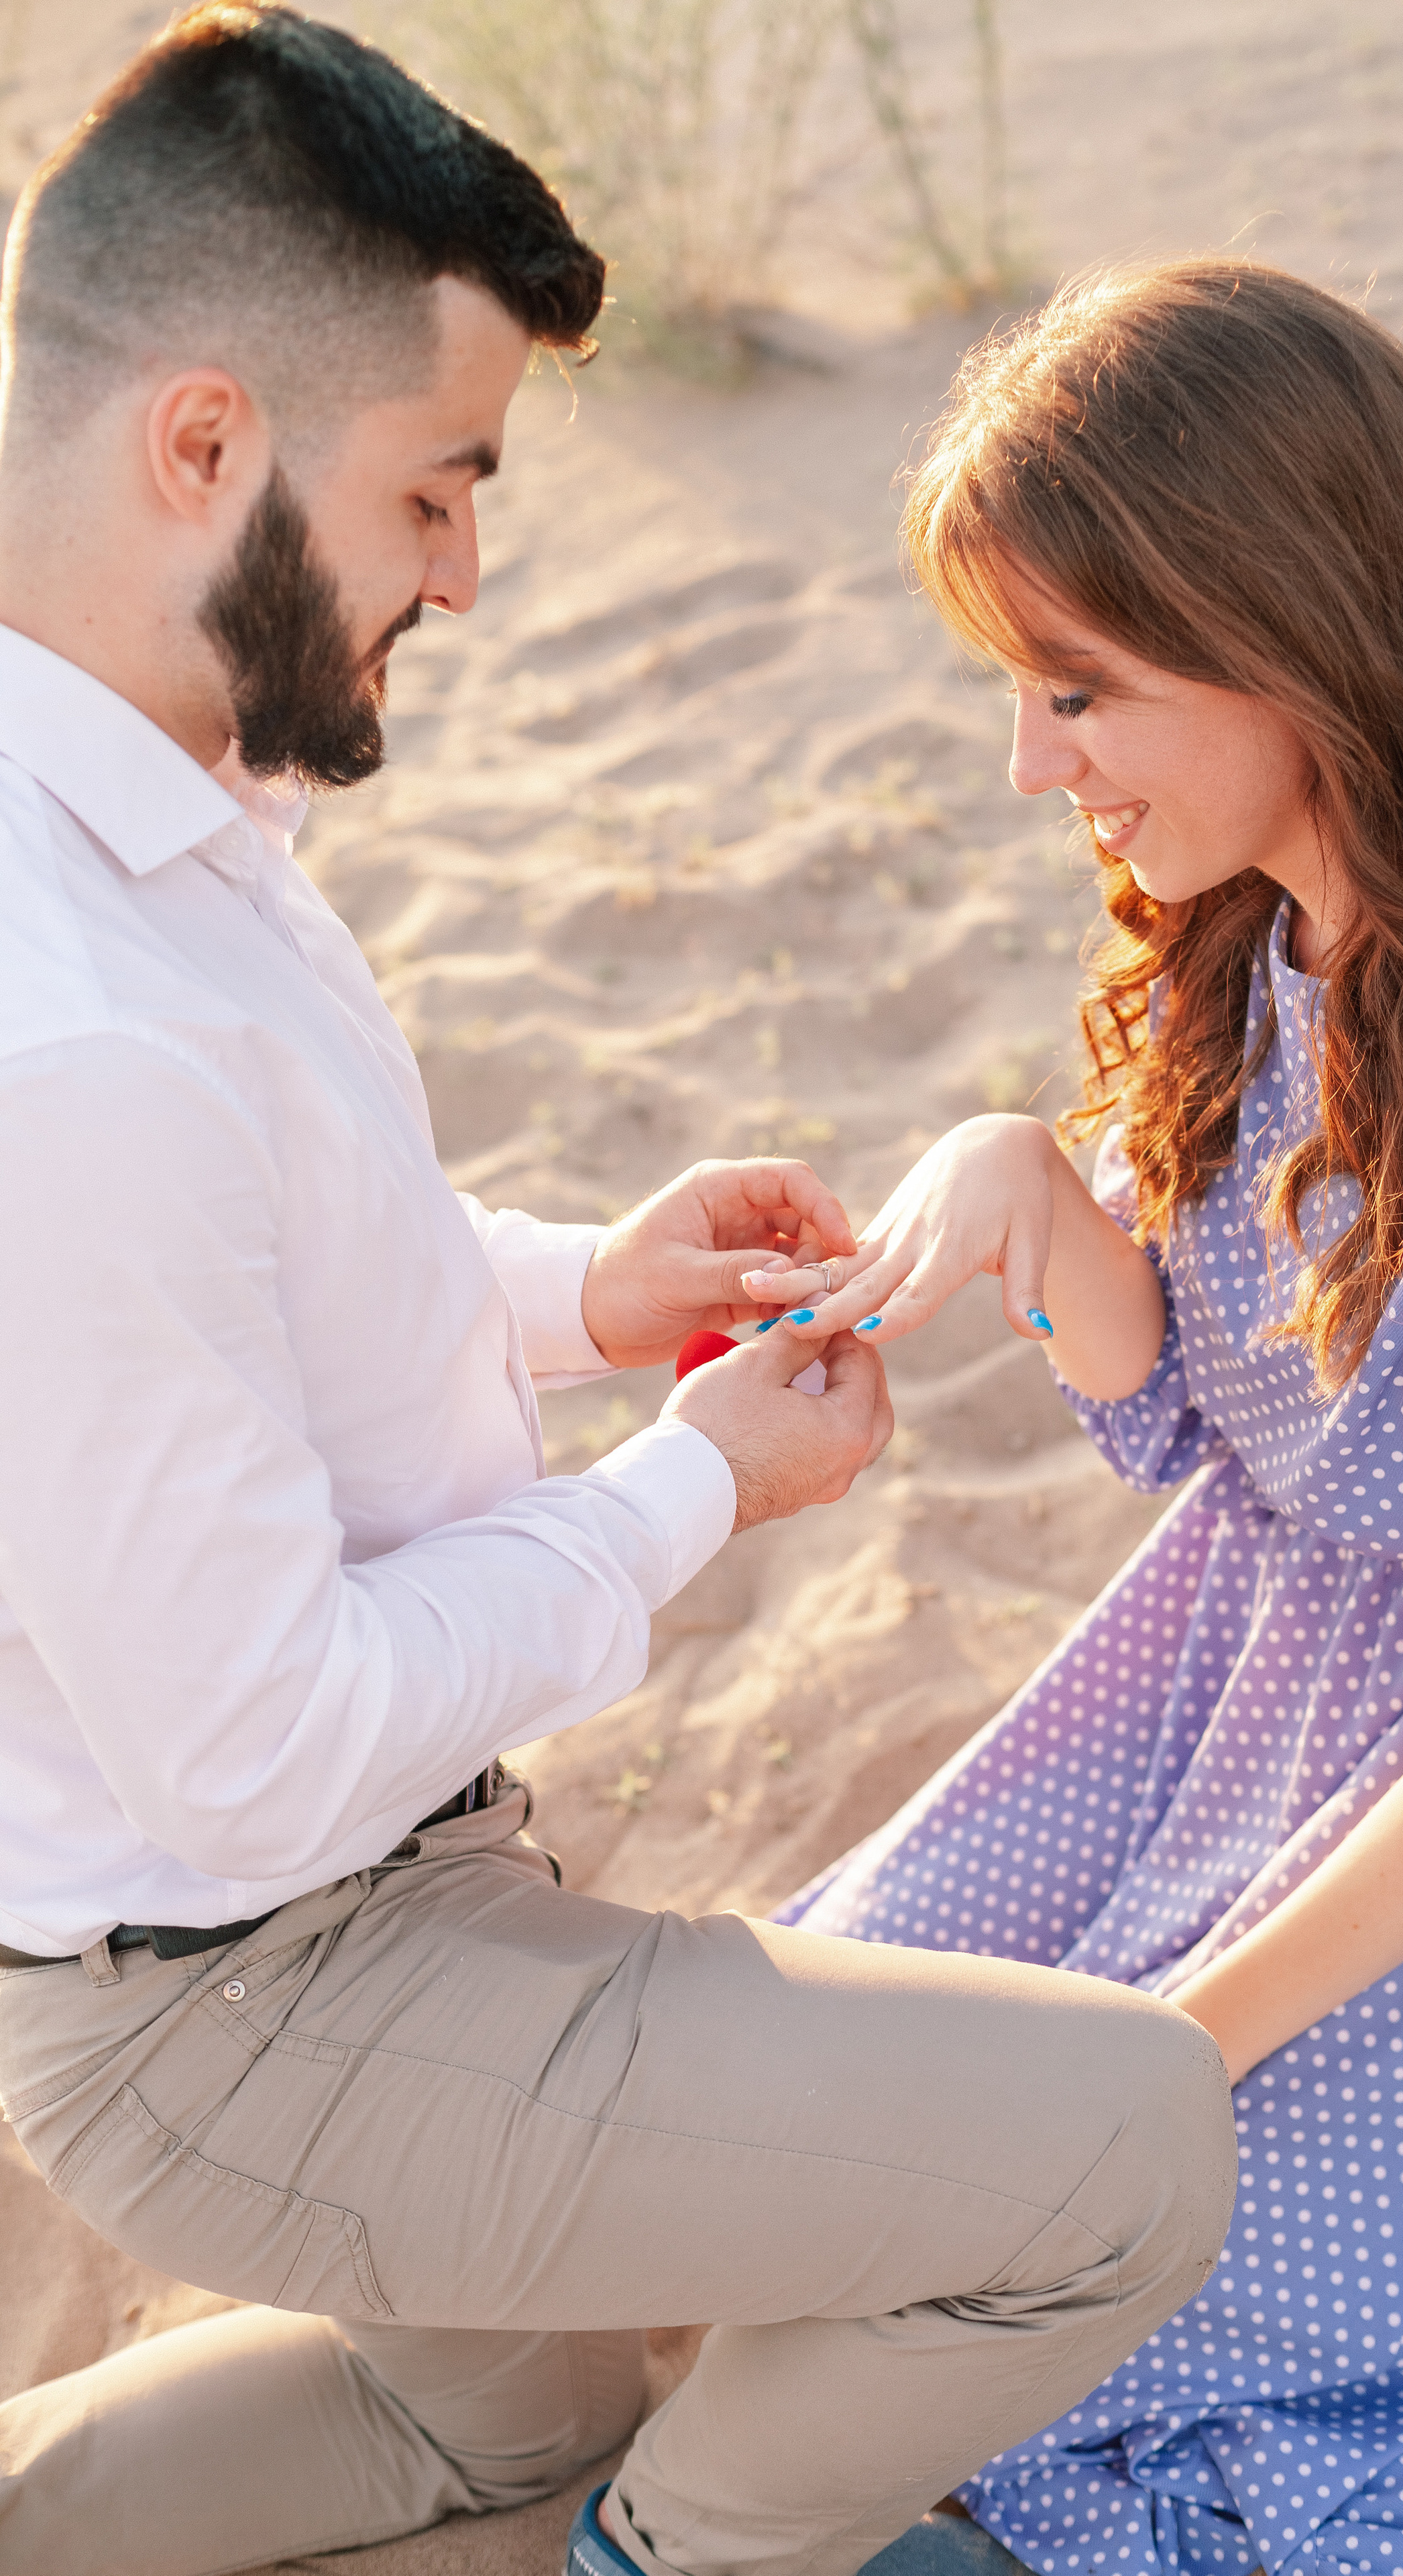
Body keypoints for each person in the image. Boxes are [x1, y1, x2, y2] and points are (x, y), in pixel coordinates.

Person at [0, 21, 1237, 2576]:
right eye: (436, 485)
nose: (464, 567)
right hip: (261, 1986)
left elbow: (239, 1295)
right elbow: (254, 1754)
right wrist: (695, 1491)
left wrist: (593, 1290)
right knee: (1134, 2147)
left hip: (295, 1929)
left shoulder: (149, 791)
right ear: (203, 445)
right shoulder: (70, 1026)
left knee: (506, 2420)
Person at [752, 262, 1403, 2576]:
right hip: (1226, 1693)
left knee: (1120, 2319)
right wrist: (1034, 1197)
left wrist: (1174, 2049)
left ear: (1295, 635)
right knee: (811, 2142)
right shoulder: (1273, 917)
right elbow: (1208, 1423)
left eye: (1078, 689)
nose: (1029, 765)